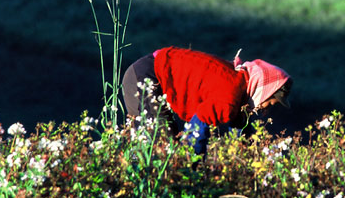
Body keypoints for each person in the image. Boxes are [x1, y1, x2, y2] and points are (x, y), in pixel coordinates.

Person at [121, 46, 291, 155]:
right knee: (162, 151)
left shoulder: (239, 82)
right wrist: (195, 167)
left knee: (165, 151)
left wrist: (247, 152)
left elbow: (239, 127)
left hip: (147, 70)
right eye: (269, 102)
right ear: (263, 90)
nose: (264, 108)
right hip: (145, 78)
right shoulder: (230, 94)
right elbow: (196, 131)